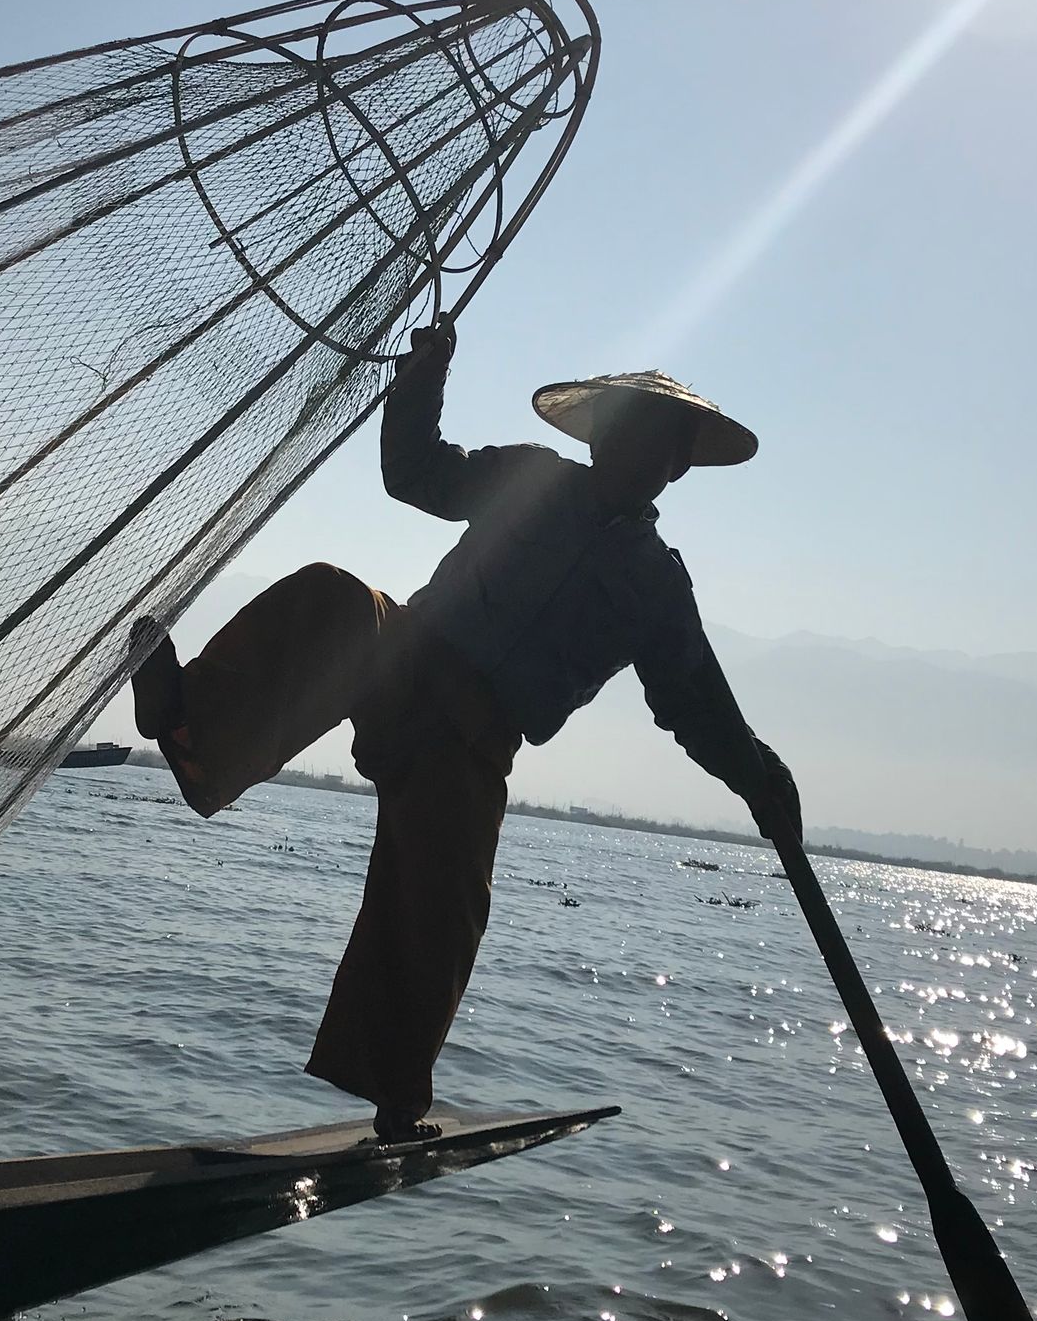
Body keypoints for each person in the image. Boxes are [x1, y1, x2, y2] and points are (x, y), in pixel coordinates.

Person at [129, 322, 800, 1142]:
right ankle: (187, 722)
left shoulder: (658, 588)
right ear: (599, 437)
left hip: (476, 740)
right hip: (404, 658)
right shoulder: (531, 478)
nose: (633, 446)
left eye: (658, 438)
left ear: (678, 462)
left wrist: (760, 776)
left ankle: (396, 1097)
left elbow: (697, 707)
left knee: (444, 903)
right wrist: (421, 379)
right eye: (623, 428)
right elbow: (414, 472)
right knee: (334, 599)